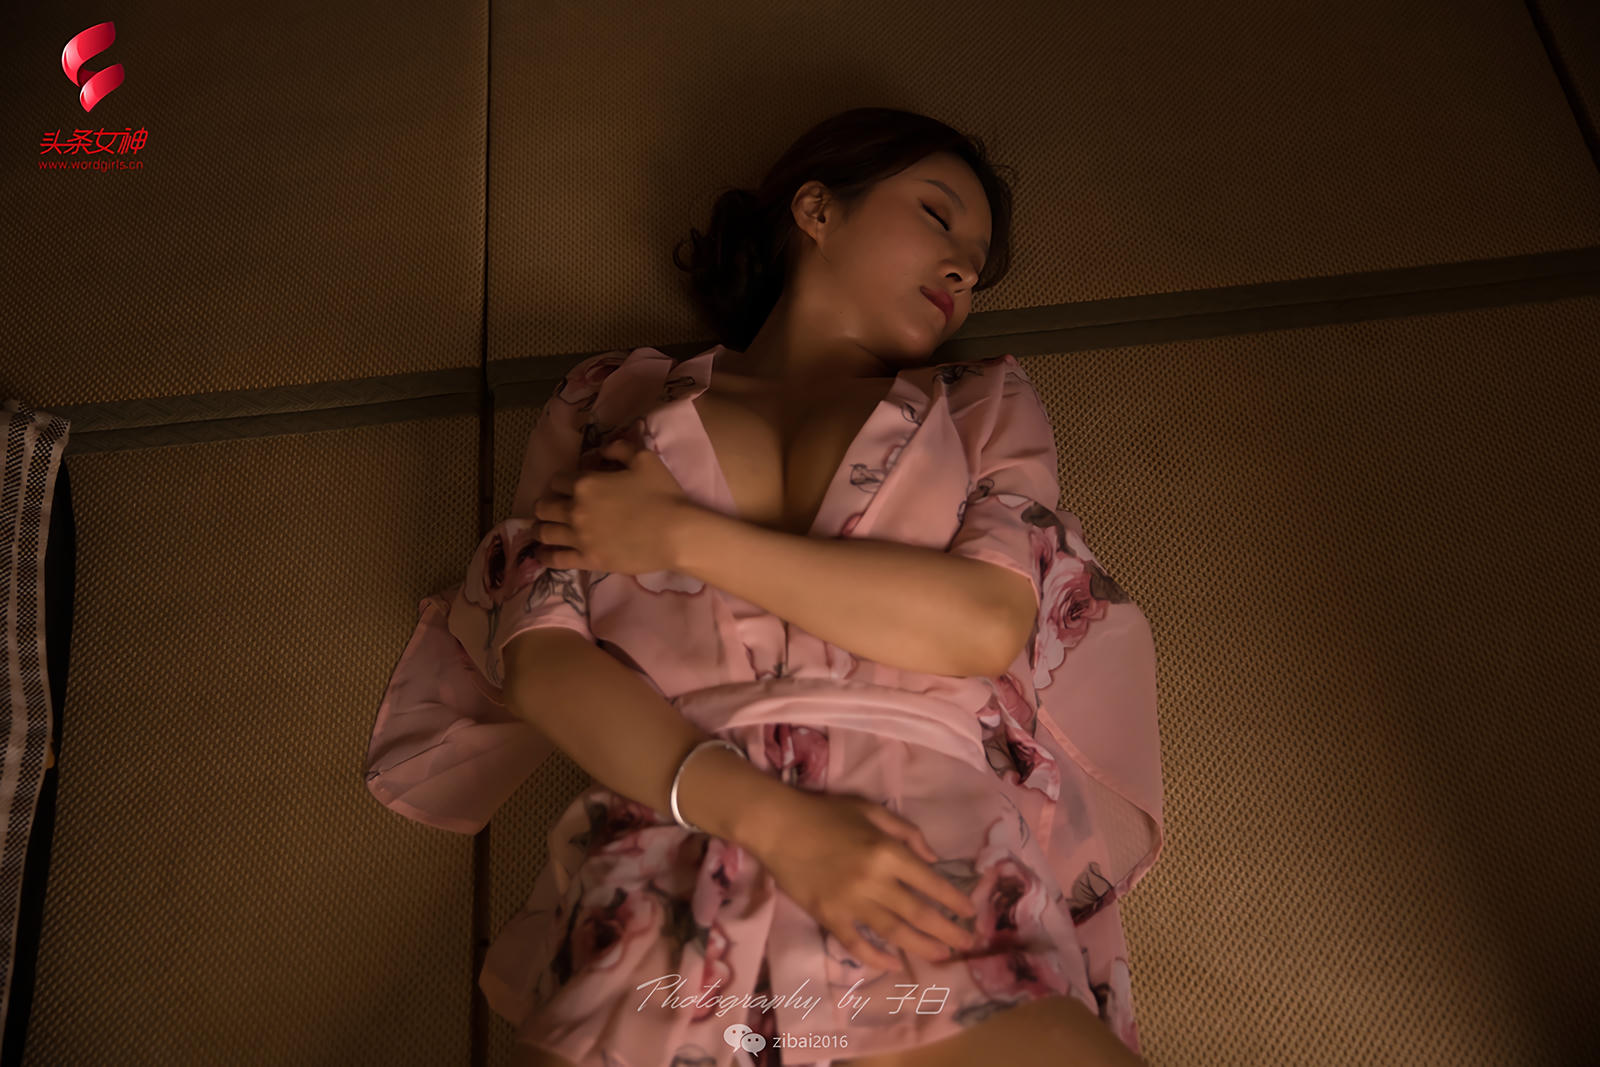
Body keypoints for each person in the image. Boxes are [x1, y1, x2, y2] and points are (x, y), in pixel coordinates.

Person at [365, 107, 1164, 1067]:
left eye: (978, 264)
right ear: (817, 209)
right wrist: (779, 826)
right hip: (672, 845)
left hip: (929, 859)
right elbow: (540, 658)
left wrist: (681, 536)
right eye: (937, 215)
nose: (962, 269)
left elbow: (983, 622)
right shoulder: (615, 398)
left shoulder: (982, 402)